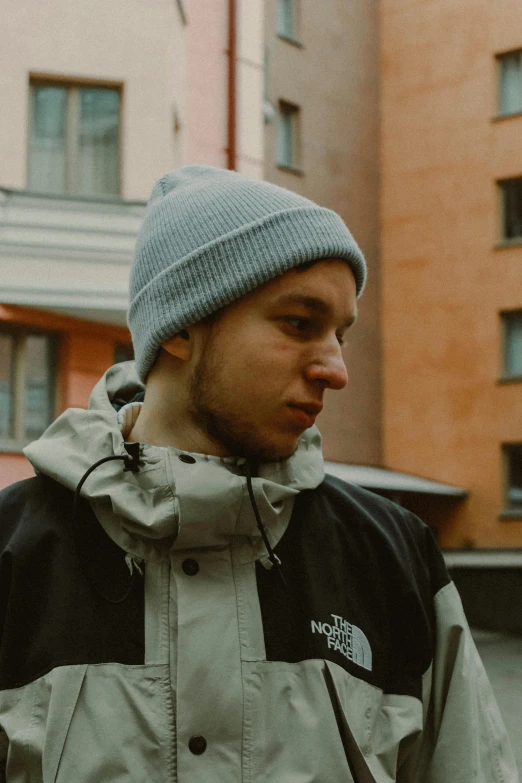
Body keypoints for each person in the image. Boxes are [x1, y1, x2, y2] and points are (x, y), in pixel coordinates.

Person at [0, 165, 517, 782]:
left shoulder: (392, 557)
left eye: (340, 335)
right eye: (300, 324)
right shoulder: (16, 555)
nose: (335, 369)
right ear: (183, 326)